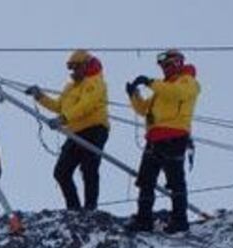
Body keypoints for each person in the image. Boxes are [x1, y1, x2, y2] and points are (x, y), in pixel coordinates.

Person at [125, 49, 200, 234]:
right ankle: (143, 220)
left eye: (168, 64)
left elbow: (177, 94)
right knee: (145, 181)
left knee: (175, 181)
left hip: (174, 136)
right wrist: (134, 95)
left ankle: (180, 221)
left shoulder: (187, 81)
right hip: (155, 138)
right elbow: (144, 110)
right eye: (163, 66)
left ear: (178, 63)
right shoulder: (162, 88)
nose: (165, 69)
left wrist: (150, 82)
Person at [25, 49, 110, 212]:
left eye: (76, 67)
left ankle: (90, 208)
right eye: (71, 68)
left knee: (89, 168)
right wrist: (40, 96)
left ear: (85, 66)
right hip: (75, 132)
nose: (73, 72)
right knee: (61, 172)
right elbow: (58, 106)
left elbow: (86, 105)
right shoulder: (70, 88)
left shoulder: (95, 82)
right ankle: (74, 209)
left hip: (94, 129)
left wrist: (63, 119)